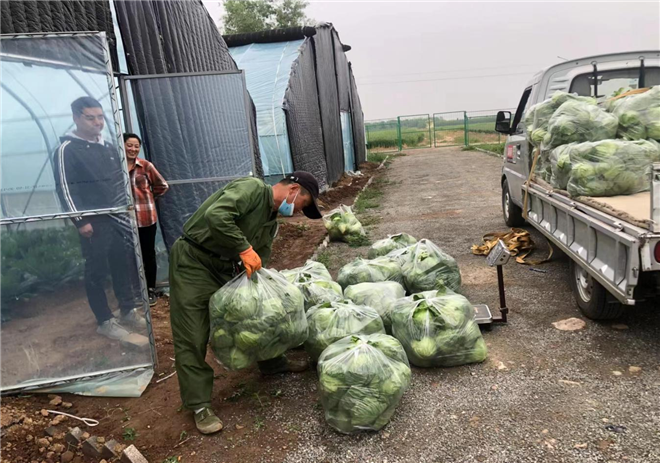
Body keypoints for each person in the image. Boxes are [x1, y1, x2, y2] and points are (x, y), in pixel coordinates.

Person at [169, 172, 323, 434]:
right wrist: (244, 248)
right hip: (194, 262)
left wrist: (265, 288)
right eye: (303, 204)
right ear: (293, 190)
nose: (298, 212)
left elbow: (259, 256)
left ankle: (272, 363)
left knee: (259, 314)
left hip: (226, 268)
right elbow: (216, 216)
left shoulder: (270, 222)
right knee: (192, 334)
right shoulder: (251, 189)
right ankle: (199, 405)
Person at [53, 97, 147, 340]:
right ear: (76, 118)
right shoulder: (67, 150)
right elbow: (65, 188)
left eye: (100, 117)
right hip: (93, 222)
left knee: (122, 263)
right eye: (90, 117)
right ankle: (105, 320)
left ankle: (127, 309)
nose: (97, 122)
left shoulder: (107, 147)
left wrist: (126, 210)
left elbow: (119, 183)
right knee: (96, 270)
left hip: (117, 217)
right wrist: (80, 220)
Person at [124, 133, 169, 306]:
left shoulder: (145, 166)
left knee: (148, 254)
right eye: (129, 145)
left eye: (136, 146)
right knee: (129, 256)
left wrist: (149, 197)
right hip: (125, 221)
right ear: (122, 146)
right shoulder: (115, 167)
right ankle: (135, 290)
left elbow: (162, 185)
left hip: (145, 217)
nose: (133, 149)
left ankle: (150, 289)